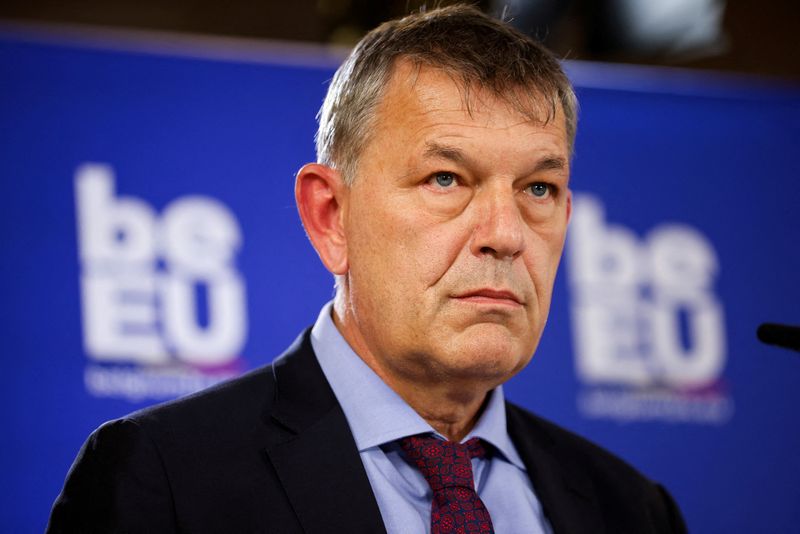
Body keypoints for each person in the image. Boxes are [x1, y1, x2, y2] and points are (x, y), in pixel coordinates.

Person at [48, 5, 687, 533]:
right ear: (331, 216)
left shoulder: (633, 510)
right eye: (446, 179)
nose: (505, 234)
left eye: (539, 189)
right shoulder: (164, 480)